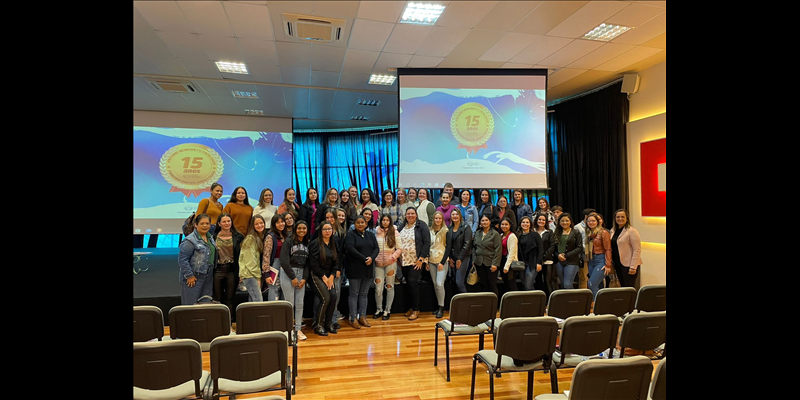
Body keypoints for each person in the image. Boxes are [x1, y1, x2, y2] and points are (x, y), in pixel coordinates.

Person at [344, 215, 379, 329]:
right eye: (357, 222)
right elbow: (350, 248)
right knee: (354, 293)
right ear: (354, 224)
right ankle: (353, 318)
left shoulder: (370, 235)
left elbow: (376, 248)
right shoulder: (350, 234)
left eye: (362, 222)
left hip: (368, 267)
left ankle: (362, 316)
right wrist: (364, 258)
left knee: (364, 294)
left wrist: (371, 258)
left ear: (366, 224)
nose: (360, 224)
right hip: (355, 267)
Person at [397, 207, 431, 320]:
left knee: (412, 282)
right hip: (404, 261)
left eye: (412, 213)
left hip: (417, 261)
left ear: (416, 215)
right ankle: (411, 307)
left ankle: (416, 309)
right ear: (405, 215)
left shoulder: (421, 225)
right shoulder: (402, 226)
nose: (410, 215)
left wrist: (421, 259)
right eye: (408, 214)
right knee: (408, 284)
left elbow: (427, 243)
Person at [280, 219, 310, 341]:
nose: (301, 230)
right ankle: (288, 331)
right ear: (295, 229)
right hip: (288, 272)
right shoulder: (289, 241)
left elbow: (308, 264)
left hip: (301, 273)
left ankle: (298, 330)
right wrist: (293, 277)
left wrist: (304, 278)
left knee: (299, 304)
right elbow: (284, 261)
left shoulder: (308, 242)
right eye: (299, 228)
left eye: (304, 228)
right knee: (289, 304)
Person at [309, 221, 340, 336]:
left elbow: (336, 262)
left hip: (329, 275)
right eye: (325, 229)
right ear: (320, 231)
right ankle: (318, 325)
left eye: (329, 229)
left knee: (333, 296)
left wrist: (331, 276)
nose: (327, 231)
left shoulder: (334, 243)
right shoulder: (315, 244)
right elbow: (313, 264)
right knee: (325, 298)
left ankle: (328, 324)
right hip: (316, 274)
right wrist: (324, 277)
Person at [178, 213, 216, 305]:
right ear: (196, 225)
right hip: (194, 277)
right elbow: (182, 260)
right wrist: (189, 276)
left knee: (205, 303)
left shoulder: (210, 238)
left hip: (208, 276)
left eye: (207, 223)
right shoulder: (190, 241)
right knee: (190, 305)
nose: (205, 226)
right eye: (202, 223)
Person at [211, 212, 243, 314]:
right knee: (217, 298)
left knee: (230, 298)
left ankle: (228, 323)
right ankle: (218, 322)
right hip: (218, 270)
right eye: (224, 221)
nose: (226, 223)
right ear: (219, 224)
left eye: (228, 221)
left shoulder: (238, 237)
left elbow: (242, 256)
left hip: (232, 271)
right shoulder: (212, 237)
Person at [545, 213, 584, 289]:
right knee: (562, 284)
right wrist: (558, 255)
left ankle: (573, 300)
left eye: (567, 221)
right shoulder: (556, 233)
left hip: (572, 261)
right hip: (559, 262)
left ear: (570, 222)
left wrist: (566, 255)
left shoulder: (576, 233)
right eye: (562, 221)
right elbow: (553, 248)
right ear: (559, 222)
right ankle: (565, 300)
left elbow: (579, 248)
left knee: (567, 284)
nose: (564, 223)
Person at [374, 214, 401, 320]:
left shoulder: (395, 232)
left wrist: (393, 257)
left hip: (390, 263)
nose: (385, 222)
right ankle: (379, 309)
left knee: (389, 286)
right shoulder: (376, 232)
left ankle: (387, 310)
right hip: (378, 264)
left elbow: (399, 248)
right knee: (378, 288)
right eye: (383, 220)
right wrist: (375, 257)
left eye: (387, 220)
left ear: (390, 221)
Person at [610, 209, 642, 288]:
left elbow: (637, 250)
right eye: (618, 217)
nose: (620, 219)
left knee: (629, 288)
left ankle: (632, 301)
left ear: (627, 218)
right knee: (623, 287)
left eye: (622, 217)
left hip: (628, 265)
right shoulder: (613, 230)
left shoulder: (632, 231)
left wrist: (633, 266)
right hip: (618, 263)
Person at [428, 211, 452, 318]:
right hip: (431, 261)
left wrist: (442, 262)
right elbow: (428, 246)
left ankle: (441, 307)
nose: (437, 220)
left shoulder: (446, 231)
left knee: (439, 284)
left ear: (442, 220)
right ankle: (438, 306)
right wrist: (426, 262)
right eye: (436, 218)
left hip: (441, 261)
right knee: (434, 284)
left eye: (439, 218)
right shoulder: (430, 231)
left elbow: (448, 248)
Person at [239, 215, 268, 302]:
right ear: (253, 226)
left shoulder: (259, 238)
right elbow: (250, 261)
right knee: (258, 302)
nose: (260, 225)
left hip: (253, 275)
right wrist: (258, 277)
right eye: (256, 224)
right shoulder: (250, 239)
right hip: (250, 275)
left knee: (252, 302)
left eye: (261, 223)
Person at [472, 214, 502, 296]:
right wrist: (474, 259)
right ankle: (487, 304)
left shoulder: (495, 234)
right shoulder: (477, 233)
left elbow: (498, 250)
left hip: (491, 263)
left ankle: (495, 305)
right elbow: (474, 247)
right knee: (484, 284)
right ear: (480, 223)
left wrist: (495, 264)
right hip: (479, 263)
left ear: (490, 222)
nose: (484, 222)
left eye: (486, 220)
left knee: (492, 284)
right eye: (482, 220)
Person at [585, 212, 612, 297]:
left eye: (593, 221)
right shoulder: (589, 233)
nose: (591, 223)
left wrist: (608, 264)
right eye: (589, 221)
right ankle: (601, 305)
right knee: (598, 285)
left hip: (601, 260)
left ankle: (597, 305)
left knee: (591, 283)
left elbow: (608, 249)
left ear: (597, 222)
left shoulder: (603, 233)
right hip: (591, 260)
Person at [263, 214, 287, 301]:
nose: (281, 224)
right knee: (274, 291)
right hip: (274, 266)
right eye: (278, 222)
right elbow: (266, 255)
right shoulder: (270, 236)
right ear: (273, 224)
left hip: (285, 266)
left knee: (284, 291)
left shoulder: (286, 236)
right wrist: (267, 274)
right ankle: (272, 313)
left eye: (282, 222)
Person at [449, 208, 473, 294]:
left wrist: (459, 259)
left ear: (460, 216)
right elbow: (448, 245)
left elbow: (467, 245)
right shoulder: (449, 228)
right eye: (453, 215)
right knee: (455, 282)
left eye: (456, 214)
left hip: (464, 257)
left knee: (459, 282)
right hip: (453, 258)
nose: (455, 216)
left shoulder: (466, 227)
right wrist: (449, 258)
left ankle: (467, 303)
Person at [516, 216, 544, 292]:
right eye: (523, 222)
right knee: (524, 284)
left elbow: (541, 249)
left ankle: (535, 302)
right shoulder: (517, 235)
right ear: (520, 224)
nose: (525, 224)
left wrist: (539, 263)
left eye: (527, 222)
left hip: (533, 262)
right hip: (522, 263)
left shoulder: (535, 235)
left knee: (528, 284)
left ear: (530, 224)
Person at [534, 213, 556, 294]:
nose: (541, 221)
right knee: (538, 282)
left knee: (547, 281)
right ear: (536, 220)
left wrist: (543, 257)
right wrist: (538, 260)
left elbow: (552, 246)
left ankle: (551, 303)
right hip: (535, 261)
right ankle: (541, 302)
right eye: (539, 219)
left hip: (547, 260)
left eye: (543, 220)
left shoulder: (549, 232)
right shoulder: (532, 231)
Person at [499, 217, 519, 292]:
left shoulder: (512, 236)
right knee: (506, 284)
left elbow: (512, 253)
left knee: (511, 284)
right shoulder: (501, 235)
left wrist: (506, 266)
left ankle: (516, 302)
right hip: (502, 261)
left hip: (510, 263)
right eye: (502, 224)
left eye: (506, 224)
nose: (504, 226)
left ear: (510, 225)